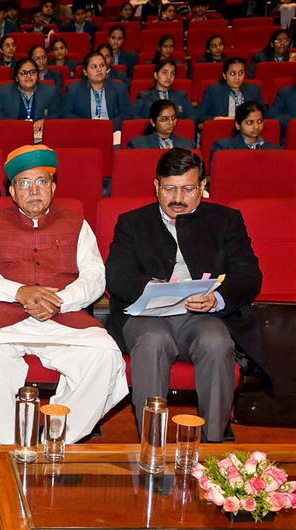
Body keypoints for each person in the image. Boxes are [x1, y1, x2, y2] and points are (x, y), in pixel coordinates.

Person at [0, 144, 128, 445]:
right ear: (11, 191)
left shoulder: (77, 224)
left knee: (104, 353)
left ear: (53, 187)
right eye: (24, 183)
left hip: (64, 317)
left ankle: (59, 439)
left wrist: (58, 301)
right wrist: (20, 292)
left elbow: (94, 277)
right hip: (4, 316)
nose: (33, 190)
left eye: (41, 182)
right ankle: (10, 443)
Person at [105, 147, 266, 442]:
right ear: (156, 187)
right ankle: (152, 444)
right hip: (147, 316)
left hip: (201, 313)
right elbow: (117, 276)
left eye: (188, 189)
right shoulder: (132, 222)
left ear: (203, 187)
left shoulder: (226, 220)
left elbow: (249, 276)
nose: (177, 198)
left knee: (216, 342)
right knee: (154, 342)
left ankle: (214, 439)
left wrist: (217, 298)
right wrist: (153, 289)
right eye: (169, 188)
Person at [62, 51, 132, 130]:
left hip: (112, 132)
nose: (99, 69)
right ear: (85, 72)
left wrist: (108, 126)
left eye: (102, 65)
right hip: (85, 132)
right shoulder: (74, 90)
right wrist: (89, 125)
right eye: (94, 67)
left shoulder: (119, 88)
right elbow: (66, 115)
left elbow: (126, 115)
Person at [0, 58, 62, 137]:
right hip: (12, 135)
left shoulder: (50, 91)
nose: (28, 76)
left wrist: (45, 122)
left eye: (32, 72)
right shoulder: (4, 92)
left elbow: (58, 114)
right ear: (16, 78)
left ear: (37, 75)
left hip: (41, 138)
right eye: (23, 73)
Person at [196, 57, 264, 123]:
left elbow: (265, 115)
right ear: (224, 75)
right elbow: (199, 116)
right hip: (221, 129)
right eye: (232, 73)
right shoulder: (213, 91)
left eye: (241, 73)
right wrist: (217, 119)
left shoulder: (254, 90)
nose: (237, 78)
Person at [211, 101, 280, 157]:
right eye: (250, 122)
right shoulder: (224, 147)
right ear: (237, 125)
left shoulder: (274, 149)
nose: (256, 126)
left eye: (259, 121)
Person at [128, 100, 194, 149]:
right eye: (164, 119)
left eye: (173, 118)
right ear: (153, 122)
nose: (171, 122)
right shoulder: (137, 145)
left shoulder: (187, 145)